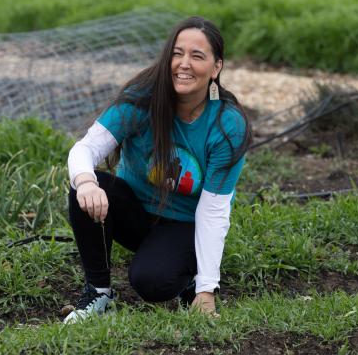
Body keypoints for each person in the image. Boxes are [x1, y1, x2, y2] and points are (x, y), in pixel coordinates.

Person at [63, 16, 251, 324]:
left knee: (152, 282)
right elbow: (85, 149)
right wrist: (85, 183)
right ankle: (99, 292)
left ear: (217, 67)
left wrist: (206, 290)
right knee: (89, 183)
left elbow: (213, 210)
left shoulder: (227, 126)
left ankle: (187, 278)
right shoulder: (142, 98)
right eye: (177, 53)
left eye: (197, 56)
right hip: (137, 214)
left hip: (186, 225)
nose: (184, 64)